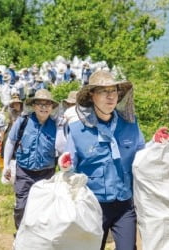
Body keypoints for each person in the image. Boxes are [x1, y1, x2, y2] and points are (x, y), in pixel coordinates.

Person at [64, 70, 145, 250]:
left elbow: (144, 156)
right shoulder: (77, 130)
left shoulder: (130, 125)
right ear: (92, 96)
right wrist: (66, 166)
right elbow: (69, 167)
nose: (110, 97)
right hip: (92, 205)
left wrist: (159, 144)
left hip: (124, 203)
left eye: (114, 91)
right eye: (103, 91)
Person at [3, 89, 59, 230]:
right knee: (21, 206)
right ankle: (20, 236)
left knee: (44, 208)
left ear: (52, 108)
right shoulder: (23, 121)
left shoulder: (57, 125)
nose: (44, 107)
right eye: (40, 104)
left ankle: (39, 238)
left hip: (47, 174)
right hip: (24, 172)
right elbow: (10, 141)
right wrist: (6, 165)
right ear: (34, 106)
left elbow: (64, 149)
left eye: (47, 104)